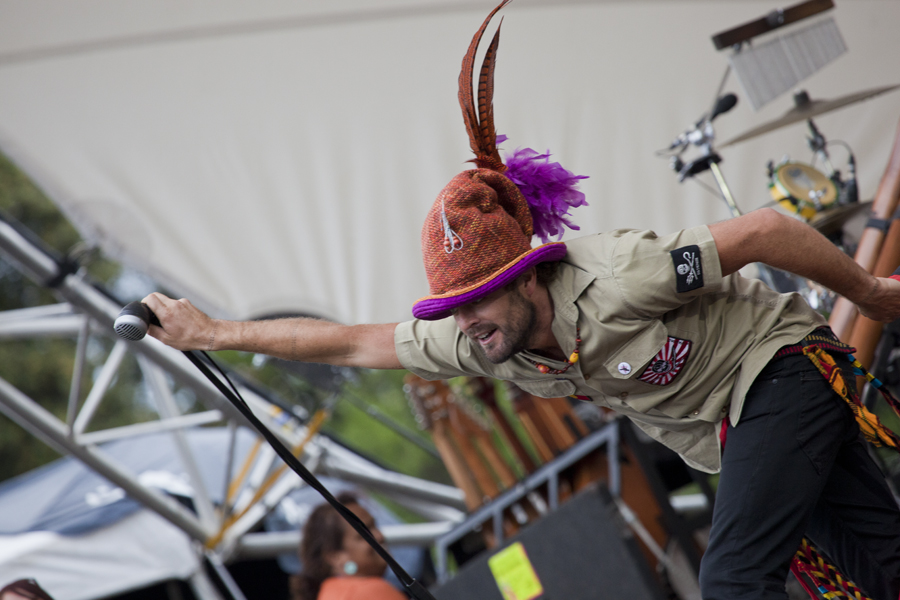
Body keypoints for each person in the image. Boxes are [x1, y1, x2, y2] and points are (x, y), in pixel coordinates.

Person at [143, 1, 900, 599]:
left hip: (780, 372)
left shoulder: (618, 276)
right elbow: (346, 342)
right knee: (882, 570)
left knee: (732, 580)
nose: (465, 322)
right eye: (452, 308)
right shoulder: (473, 336)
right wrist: (213, 332)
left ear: (531, 276)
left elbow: (767, 227)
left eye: (479, 300)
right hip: (733, 426)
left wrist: (869, 294)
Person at [291, 492, 406, 600]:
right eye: (363, 535)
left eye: (374, 526)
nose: (379, 536)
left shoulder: (329, 593)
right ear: (335, 557)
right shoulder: (370, 591)